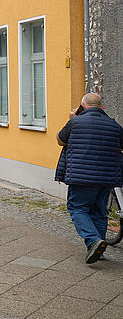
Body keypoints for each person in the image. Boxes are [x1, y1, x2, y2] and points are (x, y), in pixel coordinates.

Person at [56, 93, 123, 264]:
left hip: (81, 177)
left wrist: (71, 118)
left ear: (82, 106)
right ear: (102, 107)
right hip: (106, 178)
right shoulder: (114, 125)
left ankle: (93, 240)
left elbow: (61, 140)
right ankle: (98, 251)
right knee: (99, 212)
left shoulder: (75, 122)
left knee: (78, 208)